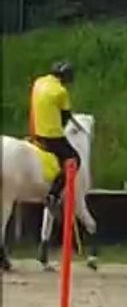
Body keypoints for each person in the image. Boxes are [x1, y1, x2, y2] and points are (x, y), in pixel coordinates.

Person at [29, 61, 87, 208]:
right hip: (51, 136)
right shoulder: (60, 91)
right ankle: (53, 195)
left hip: (36, 131)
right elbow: (66, 117)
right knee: (74, 159)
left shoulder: (39, 82)